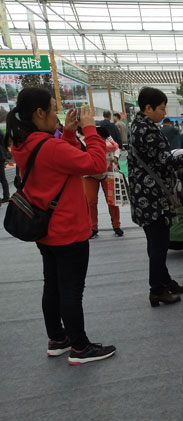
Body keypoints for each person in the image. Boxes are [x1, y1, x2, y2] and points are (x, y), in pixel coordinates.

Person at [6, 87, 115, 364]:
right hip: (69, 229)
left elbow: (58, 161)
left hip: (46, 230)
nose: (57, 114)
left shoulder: (24, 144)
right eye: (53, 109)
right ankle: (80, 348)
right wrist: (90, 130)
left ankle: (58, 339)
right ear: (39, 113)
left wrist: (67, 133)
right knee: (71, 291)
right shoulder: (49, 146)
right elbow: (96, 164)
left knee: (52, 286)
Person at [128, 87, 183, 307]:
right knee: (158, 244)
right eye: (161, 108)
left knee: (156, 242)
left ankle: (163, 280)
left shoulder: (141, 126)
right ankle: (157, 290)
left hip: (147, 194)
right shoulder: (146, 129)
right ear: (148, 107)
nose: (164, 113)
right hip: (152, 197)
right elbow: (165, 160)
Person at [82, 127, 123, 238]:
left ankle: (116, 225)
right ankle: (93, 228)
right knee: (91, 202)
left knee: (112, 201)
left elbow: (116, 148)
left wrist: (115, 157)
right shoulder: (84, 143)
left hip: (107, 173)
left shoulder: (110, 143)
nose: (102, 140)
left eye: (103, 138)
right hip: (89, 175)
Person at [0, 127, 8, 204]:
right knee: (3, 178)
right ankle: (6, 196)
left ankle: (5, 197)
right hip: (1, 157)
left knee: (2, 178)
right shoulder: (1, 132)